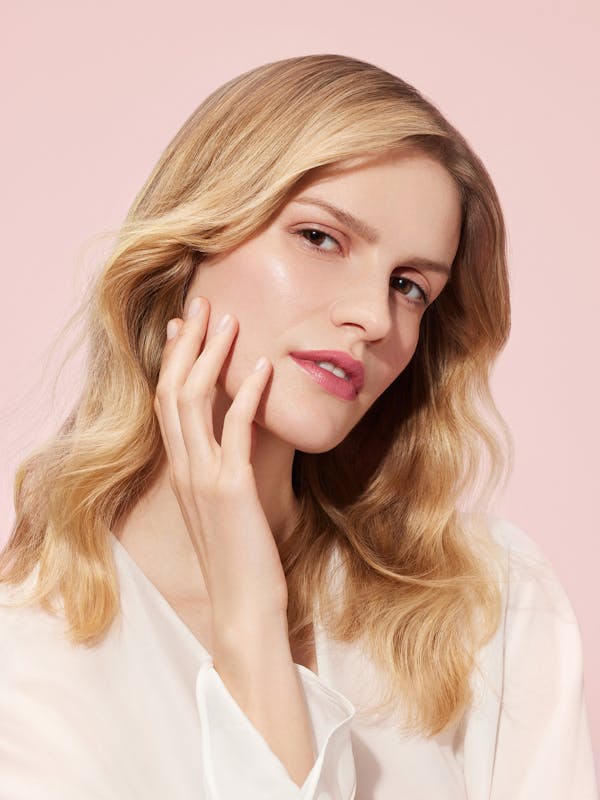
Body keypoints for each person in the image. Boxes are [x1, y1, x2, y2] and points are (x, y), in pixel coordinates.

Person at [0, 53, 597, 800]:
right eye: (321, 239)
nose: (376, 318)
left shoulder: (487, 603)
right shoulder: (25, 664)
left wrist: (252, 614)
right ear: (190, 248)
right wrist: (251, 615)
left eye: (410, 286)